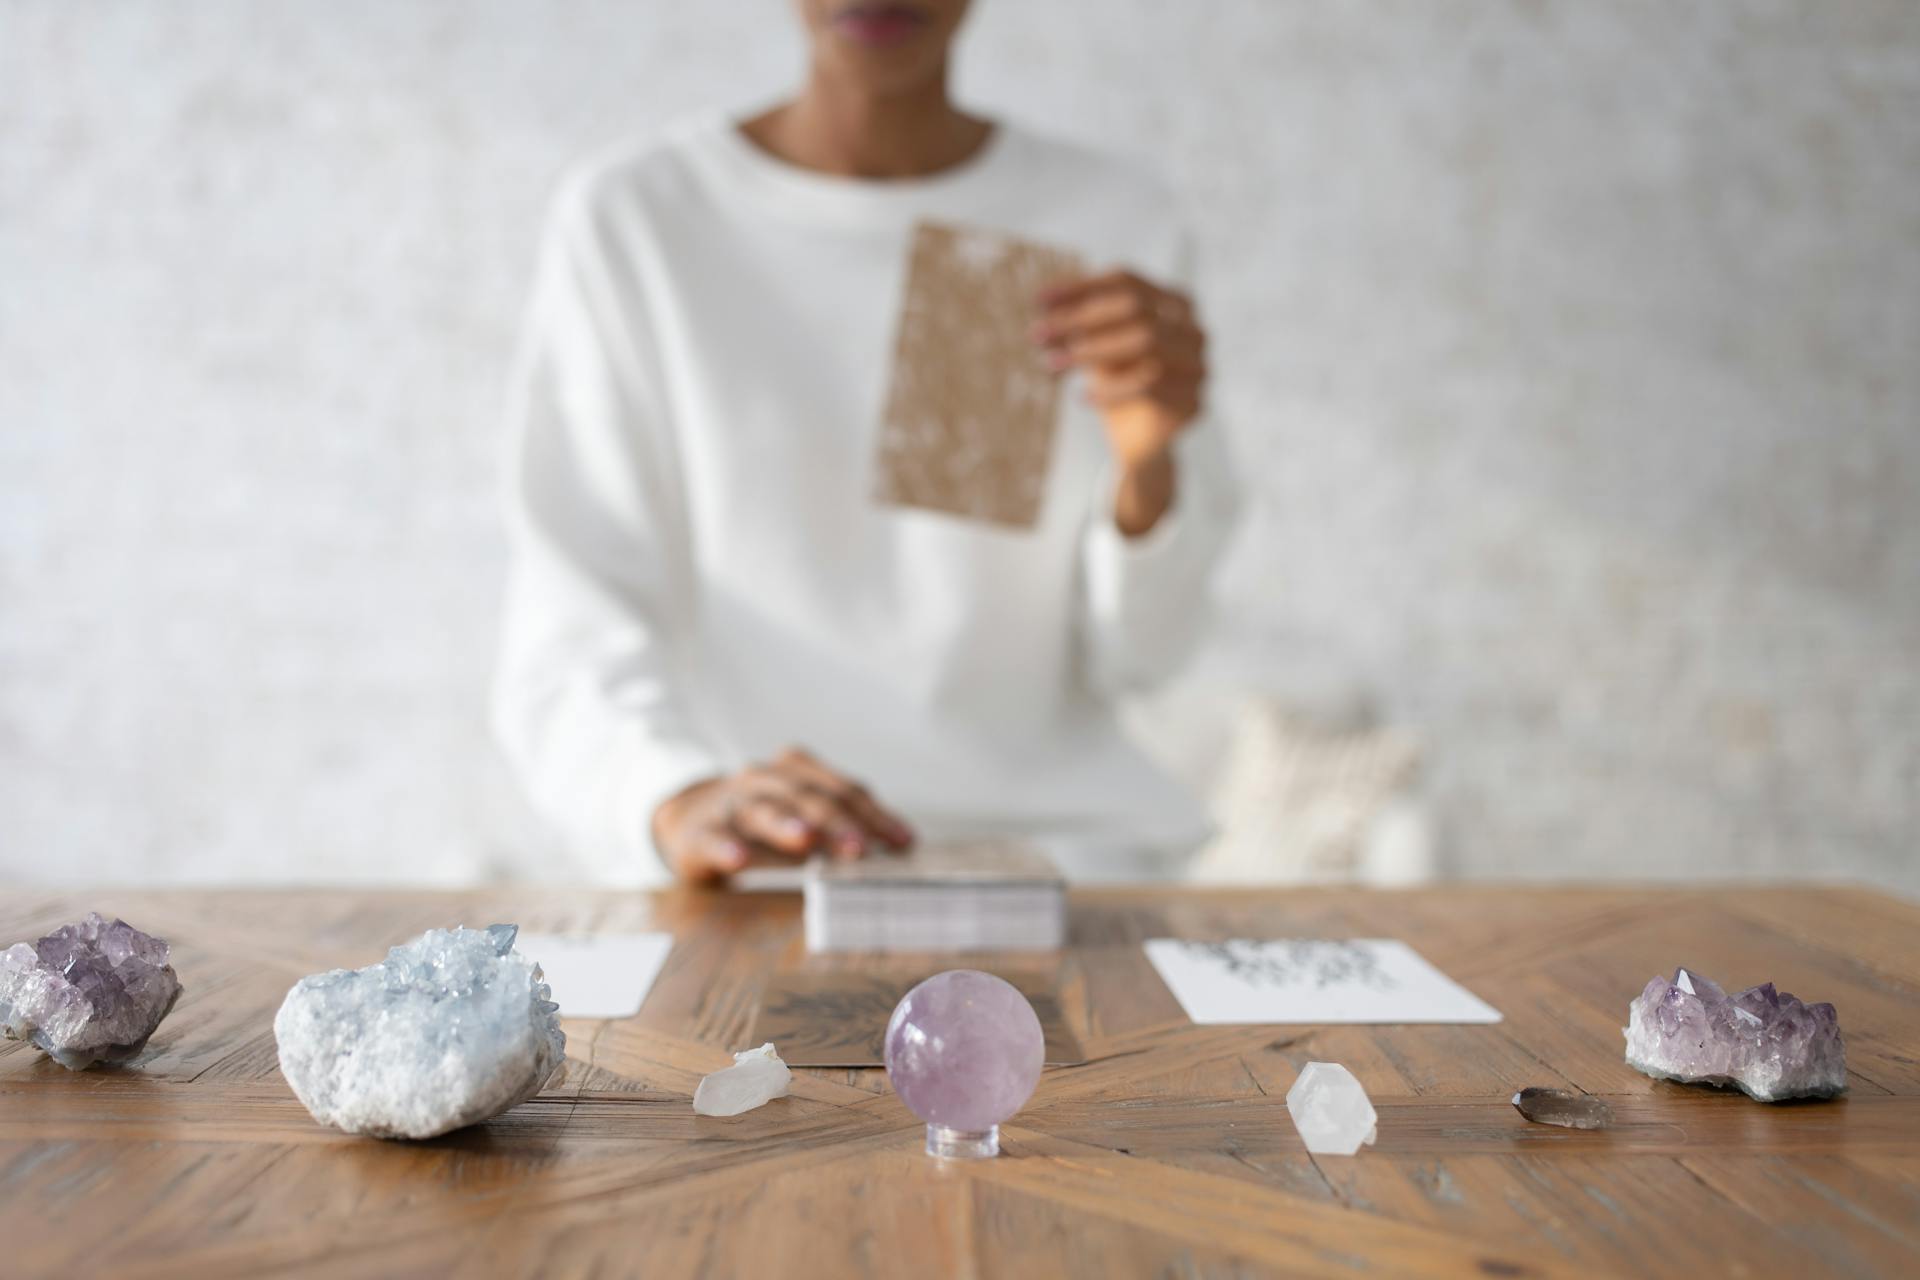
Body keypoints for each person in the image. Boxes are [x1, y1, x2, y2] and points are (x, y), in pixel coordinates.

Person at [493, 0, 1240, 885]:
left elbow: (1148, 658)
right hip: (761, 869)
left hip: (1067, 862)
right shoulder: (639, 223)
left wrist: (1147, 469)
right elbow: (572, 618)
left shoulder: (1110, 219)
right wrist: (675, 797)